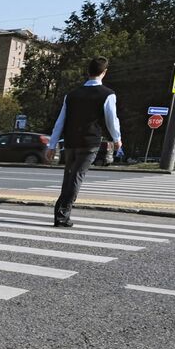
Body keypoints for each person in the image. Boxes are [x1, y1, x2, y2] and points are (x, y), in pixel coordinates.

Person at [45, 57, 122, 227]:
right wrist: (117, 139)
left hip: (71, 141)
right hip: (90, 142)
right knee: (77, 176)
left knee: (69, 176)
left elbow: (60, 121)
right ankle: (62, 215)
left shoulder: (71, 95)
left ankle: (61, 213)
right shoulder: (108, 94)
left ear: (88, 72)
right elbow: (111, 119)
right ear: (104, 72)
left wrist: (52, 145)